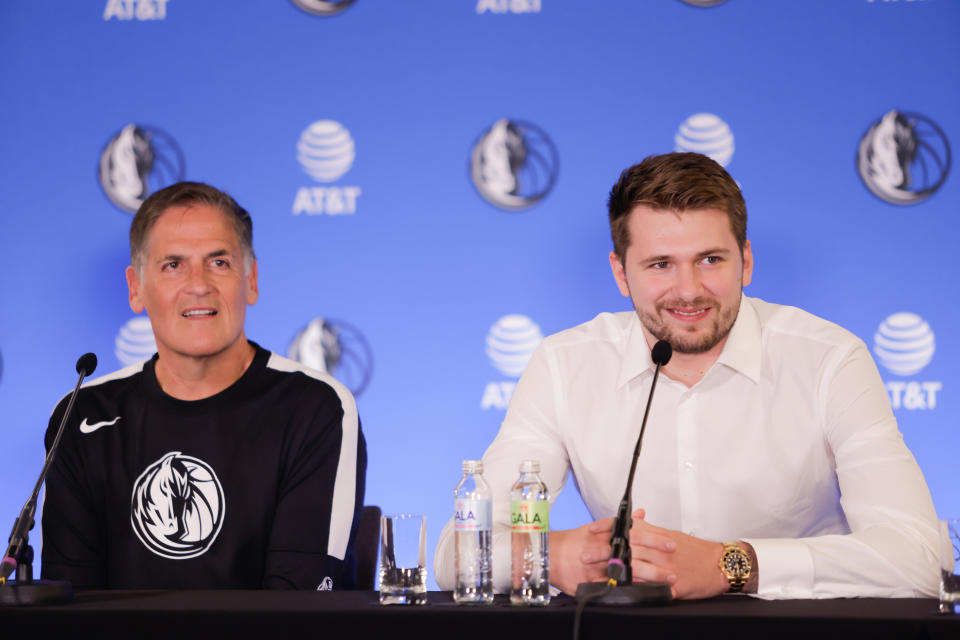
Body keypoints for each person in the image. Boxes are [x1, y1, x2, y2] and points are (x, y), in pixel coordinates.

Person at [434, 152, 939, 599]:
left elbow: (919, 557)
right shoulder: (566, 364)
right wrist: (551, 556)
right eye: (660, 265)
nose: (689, 290)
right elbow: (453, 557)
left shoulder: (829, 360)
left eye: (710, 259)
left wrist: (732, 564)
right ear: (619, 273)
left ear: (745, 262)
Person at [41, 182, 367, 590]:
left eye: (219, 262)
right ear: (135, 288)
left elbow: (297, 610)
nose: (198, 284)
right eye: (172, 265)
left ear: (251, 280)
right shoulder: (82, 416)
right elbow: (69, 611)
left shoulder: (315, 408)